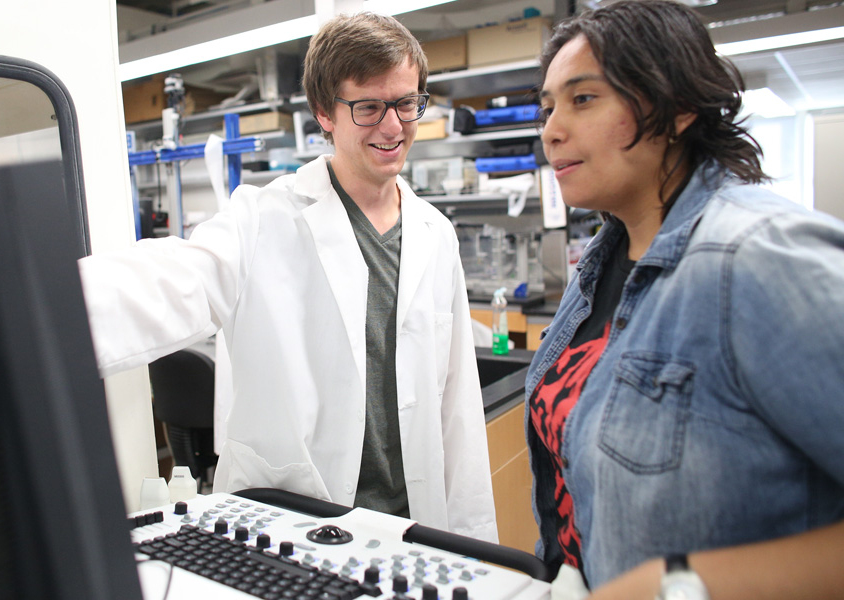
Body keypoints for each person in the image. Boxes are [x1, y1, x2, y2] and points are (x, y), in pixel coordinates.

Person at [79, 11, 498, 542]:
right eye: (369, 107)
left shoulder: (435, 233)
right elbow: (170, 280)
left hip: (410, 529)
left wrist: (475, 542)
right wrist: (25, 308)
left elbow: (458, 409)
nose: (394, 126)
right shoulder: (262, 219)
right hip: (296, 523)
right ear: (324, 112)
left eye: (406, 103)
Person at [526, 1, 844, 597]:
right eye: (548, 108)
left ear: (676, 109)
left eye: (583, 99)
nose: (551, 130)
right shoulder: (600, 265)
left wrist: (677, 584)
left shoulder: (757, 256)